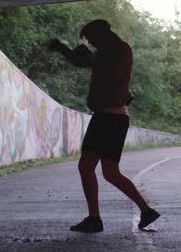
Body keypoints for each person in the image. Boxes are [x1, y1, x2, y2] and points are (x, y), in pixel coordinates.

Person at [50, 19, 160, 233]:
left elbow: (104, 71)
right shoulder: (115, 51)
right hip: (115, 118)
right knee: (110, 172)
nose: (91, 43)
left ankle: (94, 219)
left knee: (86, 166)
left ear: (100, 34)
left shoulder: (115, 51)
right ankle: (146, 211)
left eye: (91, 39)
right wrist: (73, 53)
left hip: (107, 118)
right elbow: (99, 68)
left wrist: (72, 53)